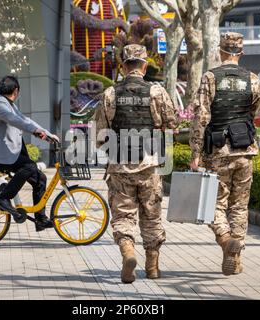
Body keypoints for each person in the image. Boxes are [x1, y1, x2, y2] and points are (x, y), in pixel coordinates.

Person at [94, 44, 177, 283]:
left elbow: (100, 137)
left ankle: (128, 253)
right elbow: (172, 123)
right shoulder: (156, 92)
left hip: (119, 165)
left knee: (123, 216)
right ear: (144, 65)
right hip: (150, 164)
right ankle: (152, 267)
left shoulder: (110, 93)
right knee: (151, 215)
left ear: (123, 66)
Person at [189, 32, 260, 276]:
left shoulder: (210, 77)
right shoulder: (253, 79)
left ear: (220, 52)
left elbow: (201, 117)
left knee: (213, 204)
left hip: (218, 151)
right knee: (240, 207)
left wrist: (195, 153)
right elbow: (253, 111)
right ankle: (236, 255)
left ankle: (224, 239)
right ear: (240, 53)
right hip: (245, 149)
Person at [0, 75, 60, 232]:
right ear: (16, 90)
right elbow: (15, 120)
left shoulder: (9, 105)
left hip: (11, 154)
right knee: (29, 166)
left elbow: (25, 119)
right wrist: (36, 131)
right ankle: (3, 198)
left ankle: (40, 219)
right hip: (1, 156)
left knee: (41, 178)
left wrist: (47, 134)